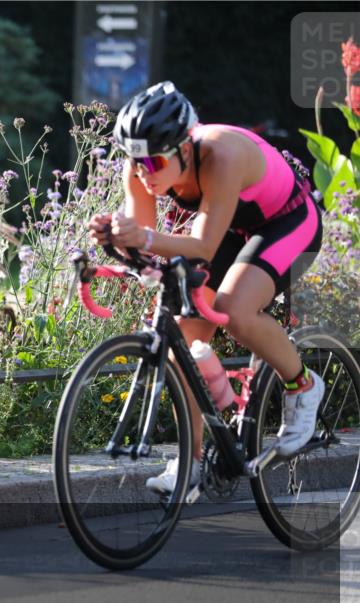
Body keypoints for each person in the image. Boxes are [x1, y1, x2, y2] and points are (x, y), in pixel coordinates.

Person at [88, 81, 324, 495]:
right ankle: (191, 463)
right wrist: (115, 241)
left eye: (155, 164)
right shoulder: (142, 164)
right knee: (184, 335)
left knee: (235, 307)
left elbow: (200, 246)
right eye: (135, 162)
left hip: (287, 221)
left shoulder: (220, 154)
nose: (144, 174)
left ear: (184, 147)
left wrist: (137, 239)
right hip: (230, 226)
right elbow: (146, 242)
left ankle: (302, 385)